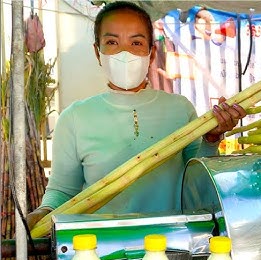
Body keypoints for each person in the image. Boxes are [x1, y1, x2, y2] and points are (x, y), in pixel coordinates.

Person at [27, 1, 245, 229]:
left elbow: (196, 180)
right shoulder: (74, 118)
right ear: (97, 52)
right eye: (112, 42)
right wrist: (43, 213)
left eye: (136, 42)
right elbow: (62, 192)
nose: (124, 53)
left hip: (175, 244)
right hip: (101, 251)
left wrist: (211, 139)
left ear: (151, 54)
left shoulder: (180, 109)